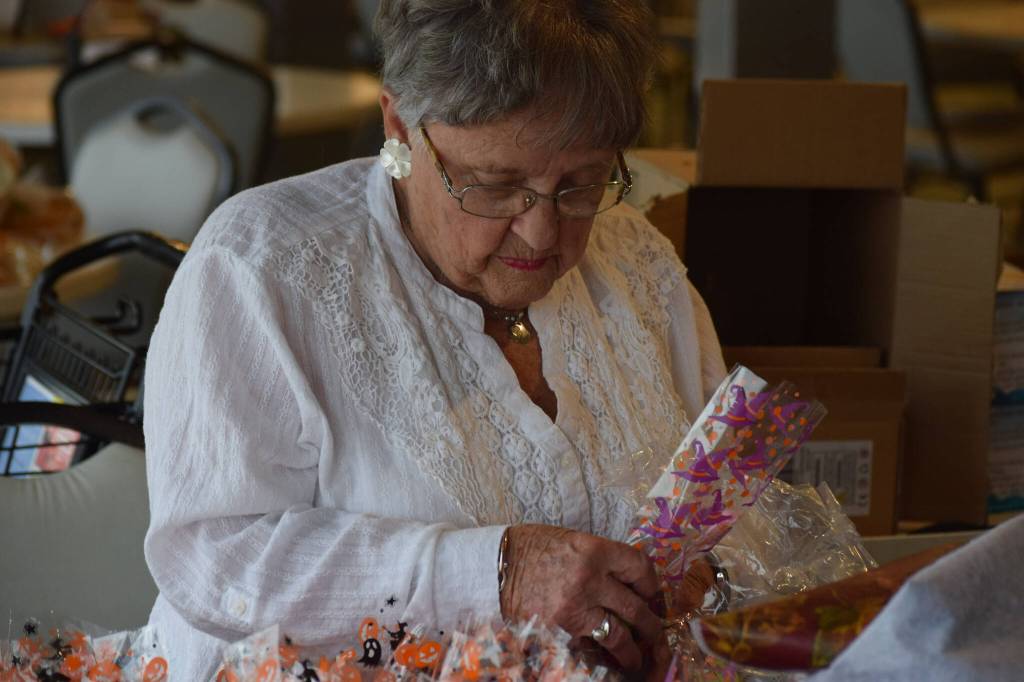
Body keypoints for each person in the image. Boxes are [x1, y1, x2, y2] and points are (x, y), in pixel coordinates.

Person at [143, 1, 727, 680]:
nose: (540, 233)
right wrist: (495, 575)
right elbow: (214, 558)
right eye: (495, 185)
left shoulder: (635, 266)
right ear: (400, 127)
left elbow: (716, 487)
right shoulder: (260, 268)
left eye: (580, 184)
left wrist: (698, 575)